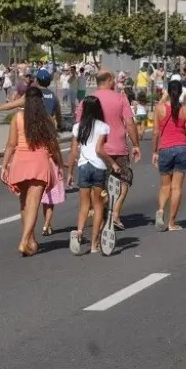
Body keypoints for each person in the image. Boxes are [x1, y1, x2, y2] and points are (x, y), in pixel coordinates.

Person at [1, 87, 65, 257]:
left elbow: (10, 144)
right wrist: (60, 163)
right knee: (34, 204)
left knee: (24, 203)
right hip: (39, 163)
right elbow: (53, 146)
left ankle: (30, 240)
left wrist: (4, 165)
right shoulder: (46, 119)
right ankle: (25, 239)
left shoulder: (17, 118)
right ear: (41, 100)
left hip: (20, 162)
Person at [76, 70, 141, 230]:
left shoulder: (86, 101)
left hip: (95, 151)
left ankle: (97, 210)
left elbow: (79, 125)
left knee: (99, 184)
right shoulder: (120, 98)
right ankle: (115, 212)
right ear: (110, 80)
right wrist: (136, 145)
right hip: (118, 148)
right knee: (124, 180)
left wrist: (80, 146)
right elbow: (130, 123)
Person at [66, 96, 119, 255]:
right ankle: (95, 244)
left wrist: (69, 172)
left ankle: (79, 232)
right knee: (97, 206)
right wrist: (113, 163)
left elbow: (74, 152)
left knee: (83, 206)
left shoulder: (78, 127)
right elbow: (99, 149)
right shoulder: (103, 127)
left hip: (83, 167)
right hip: (98, 167)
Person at [151, 79, 186, 232]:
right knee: (176, 188)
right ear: (180, 93)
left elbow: (156, 132)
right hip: (182, 149)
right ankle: (172, 222)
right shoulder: (185, 110)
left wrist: (154, 151)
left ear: (167, 91)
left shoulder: (159, 108)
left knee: (165, 185)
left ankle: (160, 210)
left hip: (165, 149)